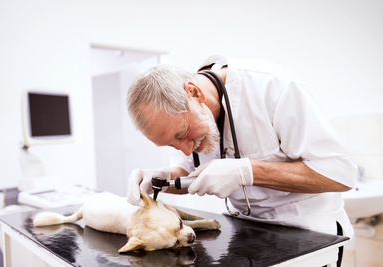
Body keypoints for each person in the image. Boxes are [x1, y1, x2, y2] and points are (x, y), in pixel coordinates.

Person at [125, 56, 357, 265]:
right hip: (245, 237)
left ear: (194, 93)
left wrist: (247, 172)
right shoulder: (182, 117)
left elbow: (341, 173)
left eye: (182, 135)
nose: (185, 150)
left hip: (309, 237)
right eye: (172, 145)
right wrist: (160, 179)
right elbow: (187, 171)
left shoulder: (270, 87)